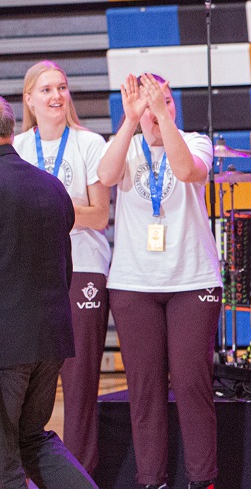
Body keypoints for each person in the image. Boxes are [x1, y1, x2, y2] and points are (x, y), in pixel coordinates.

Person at [97, 73, 221, 489]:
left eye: (165, 100)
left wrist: (162, 119)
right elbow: (106, 175)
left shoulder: (195, 141)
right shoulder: (126, 145)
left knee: (191, 384)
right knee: (145, 389)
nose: (156, 109)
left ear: (174, 107)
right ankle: (152, 480)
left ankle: (202, 479)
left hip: (191, 281)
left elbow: (186, 171)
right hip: (134, 285)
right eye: (150, 102)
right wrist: (131, 120)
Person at [13, 61, 111, 476]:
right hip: (28, 273)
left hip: (82, 267)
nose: (56, 96)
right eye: (47, 89)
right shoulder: (16, 147)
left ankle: (80, 475)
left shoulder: (89, 143)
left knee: (79, 382)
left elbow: (99, 215)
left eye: (62, 87)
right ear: (29, 100)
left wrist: (46, 208)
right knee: (23, 384)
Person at [0, 95, 99, 489]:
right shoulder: (52, 186)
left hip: (7, 345)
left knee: (4, 459)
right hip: (50, 338)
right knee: (32, 441)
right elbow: (64, 266)